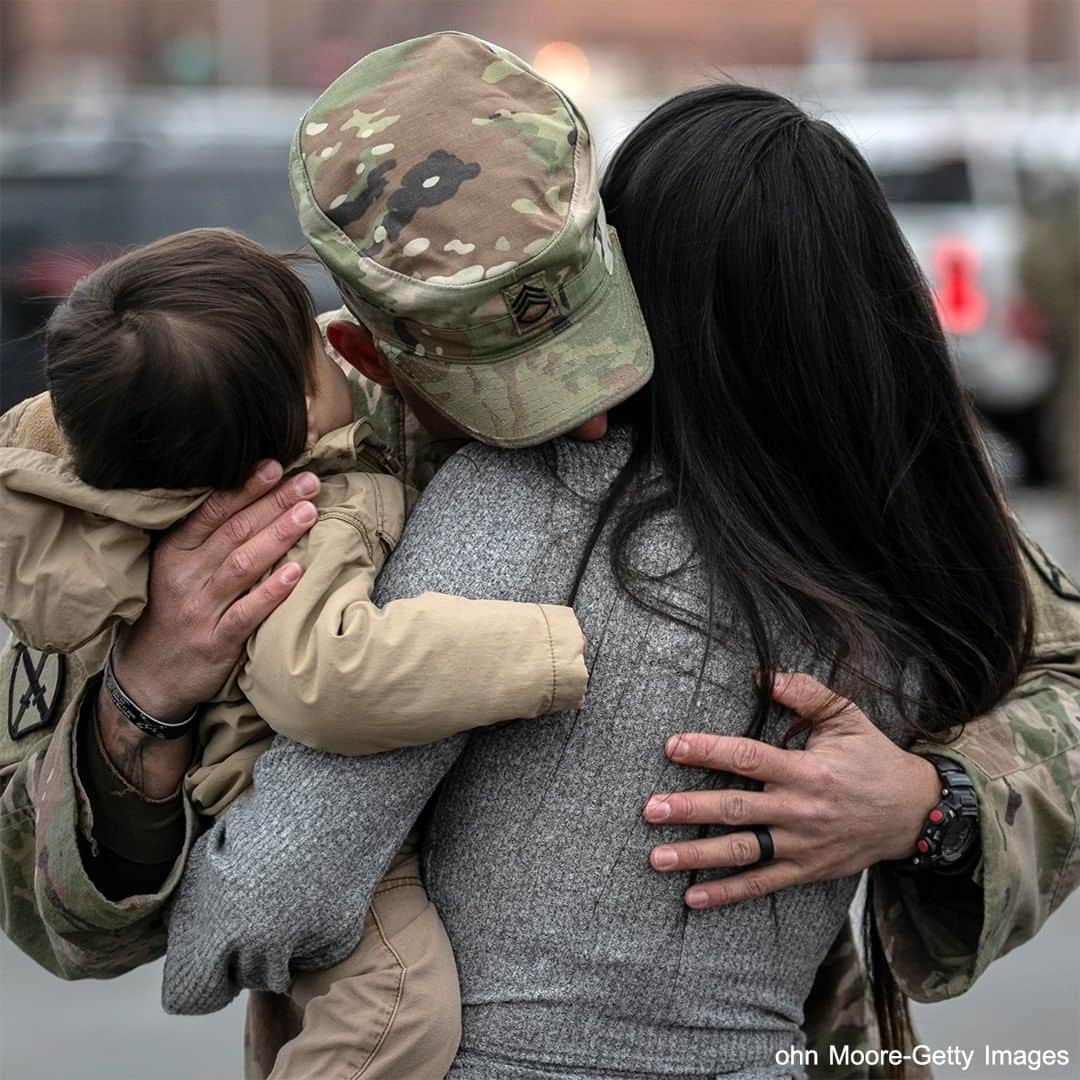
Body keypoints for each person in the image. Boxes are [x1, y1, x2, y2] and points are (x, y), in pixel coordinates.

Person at [0, 32, 1077, 1080]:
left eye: (602, 352)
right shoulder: (214, 450)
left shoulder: (766, 443)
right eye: (512, 395)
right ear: (367, 353)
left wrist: (930, 808)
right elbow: (65, 927)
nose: (593, 424)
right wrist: (142, 707)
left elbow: (1057, 667)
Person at [1, 223, 593, 1078]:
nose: (338, 343)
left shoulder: (148, 431)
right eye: (317, 355)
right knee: (396, 1011)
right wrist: (559, 645)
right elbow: (327, 678)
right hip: (328, 844)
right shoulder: (308, 512)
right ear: (298, 419)